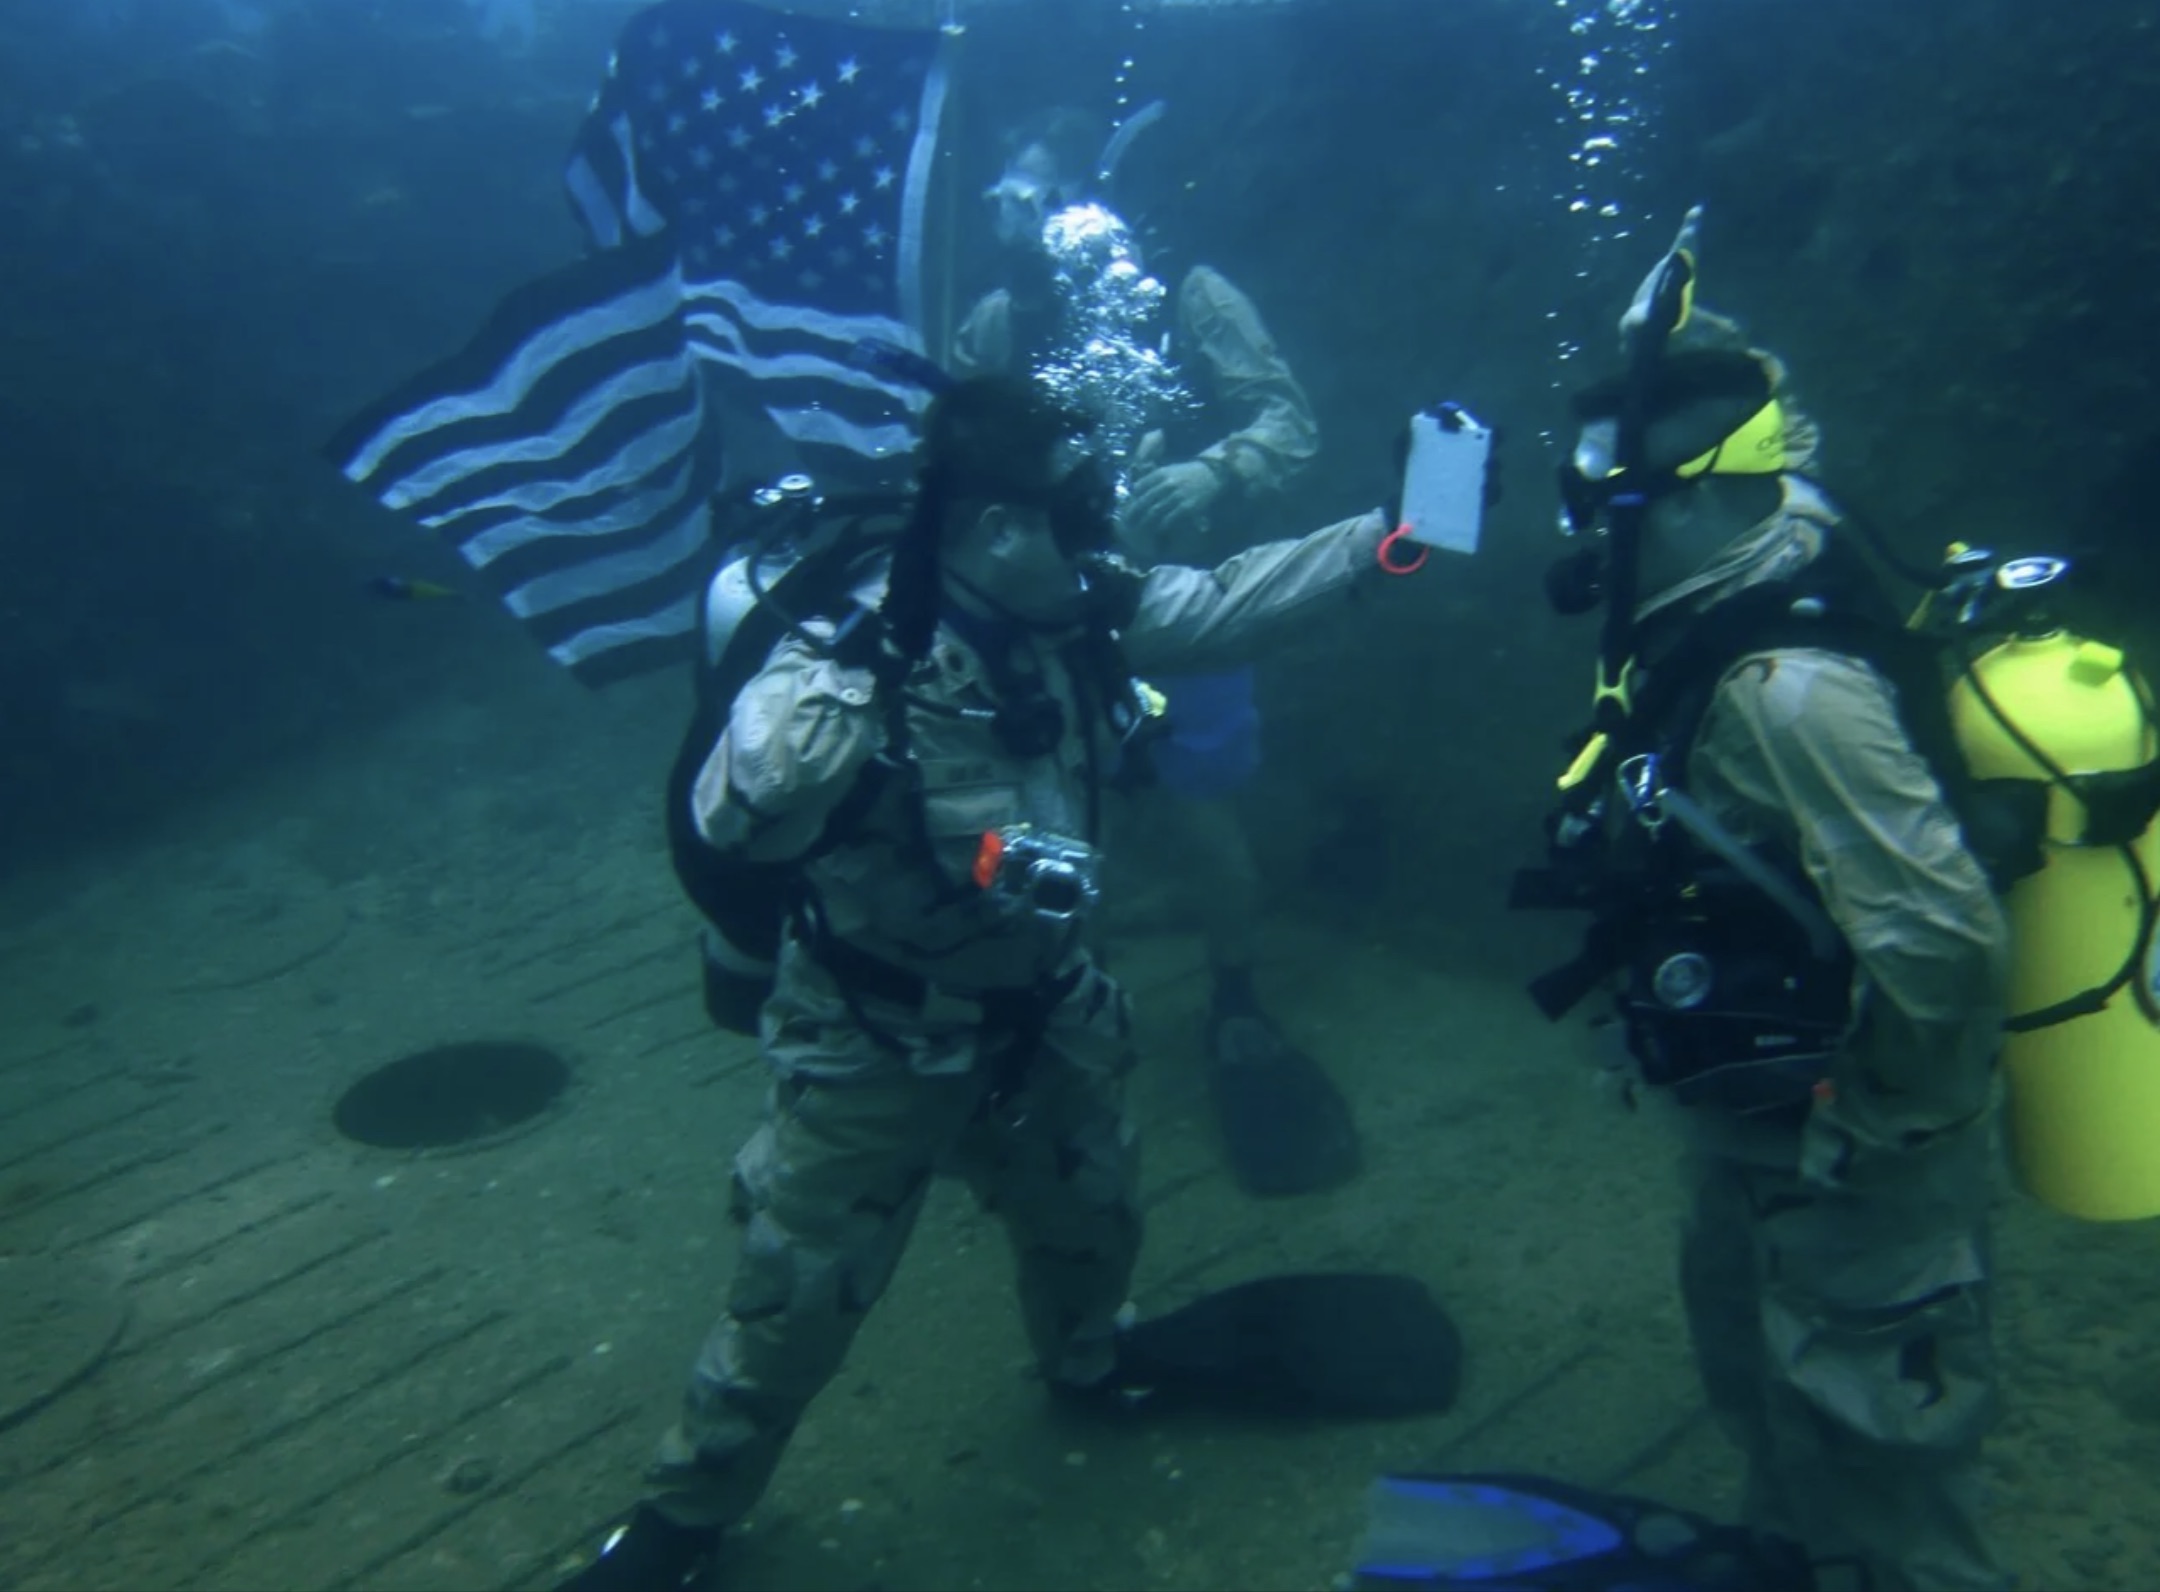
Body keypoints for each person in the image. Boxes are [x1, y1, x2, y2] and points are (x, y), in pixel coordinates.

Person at [561, 374, 1412, 1592]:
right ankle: (680, 1519)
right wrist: (846, 720)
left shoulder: (1075, 608)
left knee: (1094, 1215)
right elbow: (732, 817)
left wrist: (1395, 535)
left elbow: (1231, 600)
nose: (1104, 549)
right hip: (873, 1036)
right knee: (798, 1289)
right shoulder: (852, 655)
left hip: (1045, 1010)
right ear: (1001, 530)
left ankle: (1087, 1360)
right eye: (1080, 522)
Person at [1520, 212, 2010, 1591]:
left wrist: (1872, 1136)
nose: (1577, 541)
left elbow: (1945, 936)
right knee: (1770, 1401)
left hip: (1854, 1166)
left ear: (1677, 506)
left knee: (1887, 1478)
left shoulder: (1785, 692)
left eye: (1593, 509)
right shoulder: (1772, 533)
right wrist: (1665, 336)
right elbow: (1764, 411)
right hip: (1757, 1128)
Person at [955, 105, 1358, 1199]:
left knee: (1200, 814)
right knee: (1035, 816)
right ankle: (1057, 1003)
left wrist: (1215, 474)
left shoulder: (1189, 296)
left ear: (1084, 204)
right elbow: (957, 451)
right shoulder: (996, 320)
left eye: (1026, 192)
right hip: (1042, 614)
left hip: (1172, 603)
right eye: (998, 192)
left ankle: (1235, 998)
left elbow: (1288, 422)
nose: (1005, 210)